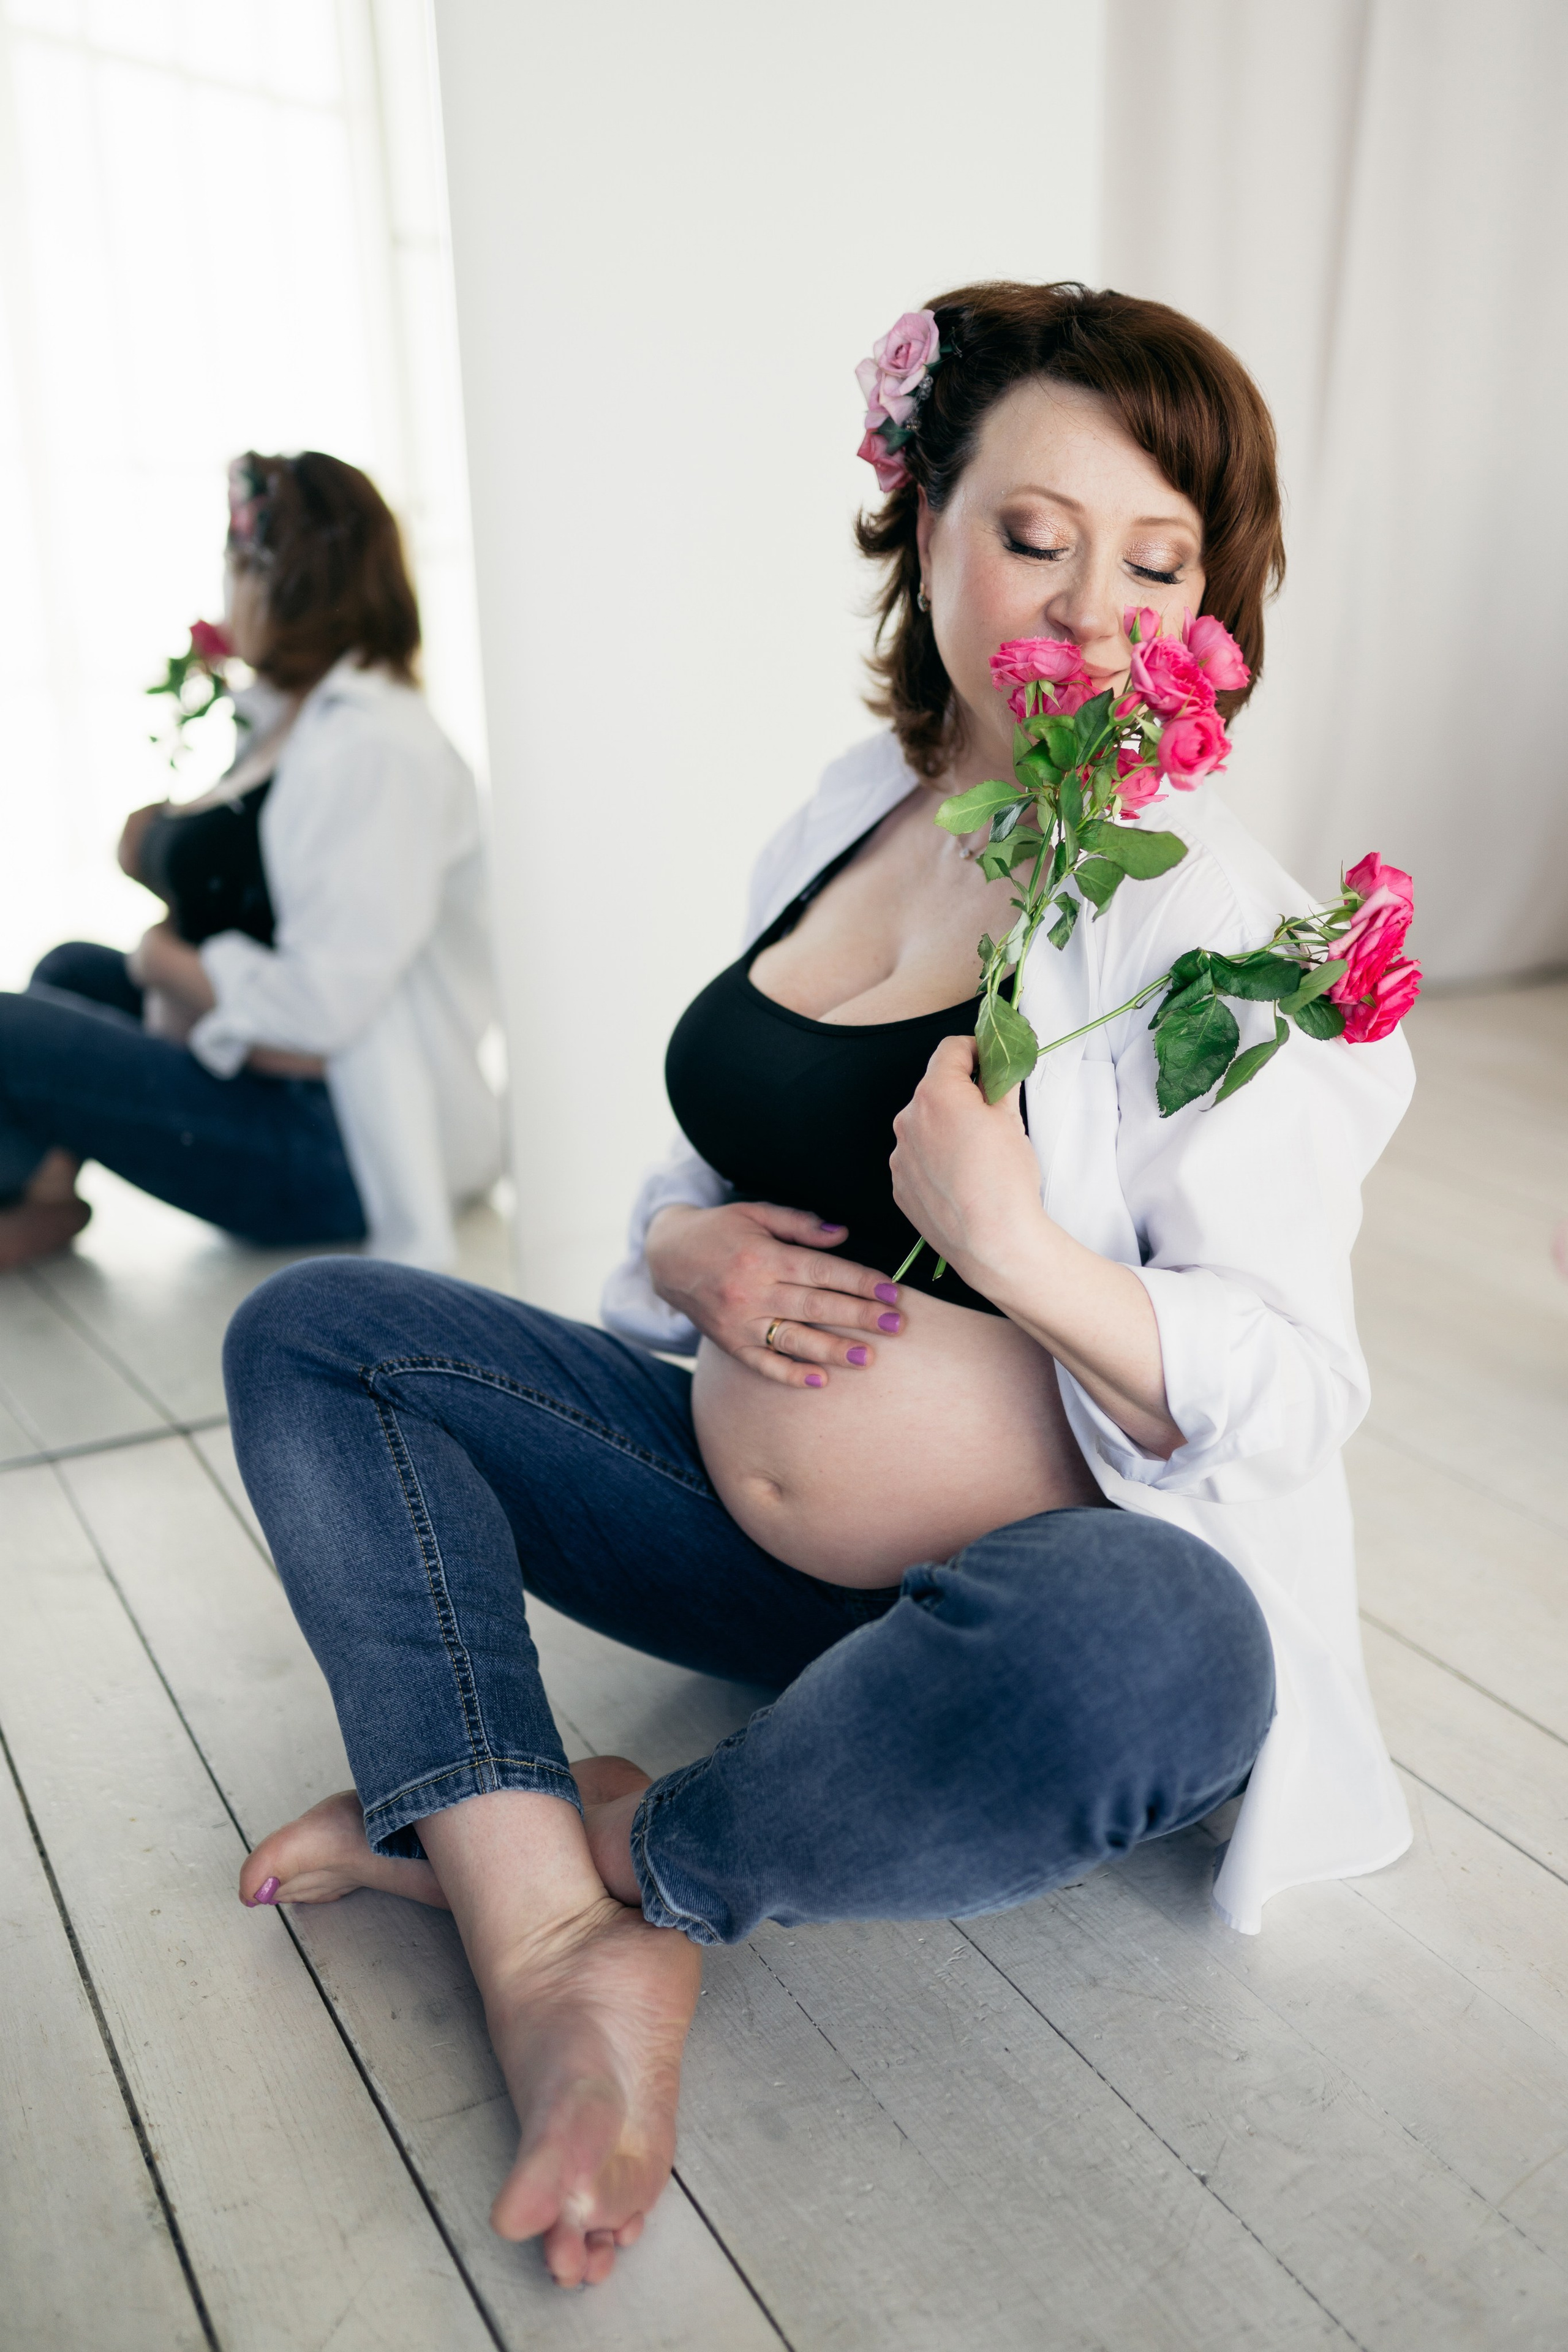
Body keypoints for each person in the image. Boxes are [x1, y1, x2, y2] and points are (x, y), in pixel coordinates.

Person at [222, 284, 1414, 2291]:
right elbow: (705, 1186)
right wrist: (679, 1252)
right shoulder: (850, 812)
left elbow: (1300, 1386)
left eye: (1160, 564)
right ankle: (550, 1935)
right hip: (740, 1533)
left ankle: (613, 1854)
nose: (1096, 616)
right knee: (319, 1339)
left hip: (1028, 1589)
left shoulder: (1202, 905)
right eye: (1038, 537)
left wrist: (1026, 1254)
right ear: (925, 516)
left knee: (1171, 1651)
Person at [0, 451, 500, 1272]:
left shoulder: (375, 748)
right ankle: (43, 1193)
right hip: (283, 1088)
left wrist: (162, 960)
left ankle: (22, 1195)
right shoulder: (289, 722)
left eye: (238, 562)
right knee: (70, 969)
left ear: (290, 580)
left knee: (10, 1027)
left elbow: (317, 1020)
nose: (230, 585)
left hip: (335, 1149)